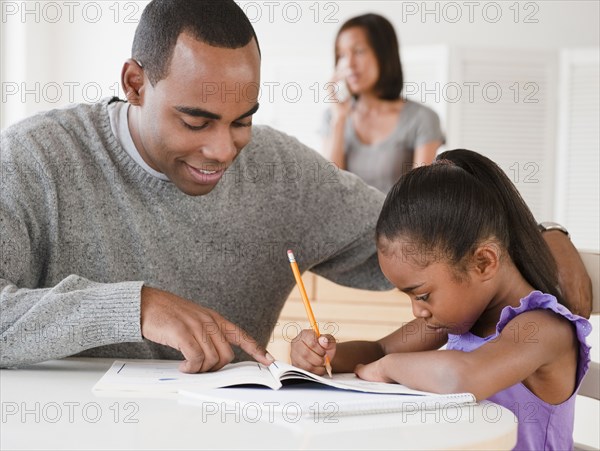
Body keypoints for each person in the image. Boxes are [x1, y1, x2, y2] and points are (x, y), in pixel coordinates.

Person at [0, 0, 591, 374]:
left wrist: (540, 232)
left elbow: (425, 234)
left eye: (242, 119)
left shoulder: (280, 173)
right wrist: (135, 307)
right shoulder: (35, 158)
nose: (223, 150)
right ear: (134, 83)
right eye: (195, 120)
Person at [290, 149, 591, 450]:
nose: (417, 311)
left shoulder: (542, 329)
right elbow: (379, 348)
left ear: (484, 263)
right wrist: (327, 353)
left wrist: (386, 368)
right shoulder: (453, 319)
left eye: (422, 295)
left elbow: (463, 376)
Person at [322, 13, 444, 193]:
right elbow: (330, 190)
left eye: (358, 51)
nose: (349, 64)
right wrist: (339, 120)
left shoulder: (422, 118)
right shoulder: (332, 117)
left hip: (400, 221)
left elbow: (420, 197)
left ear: (384, 54)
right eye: (342, 55)